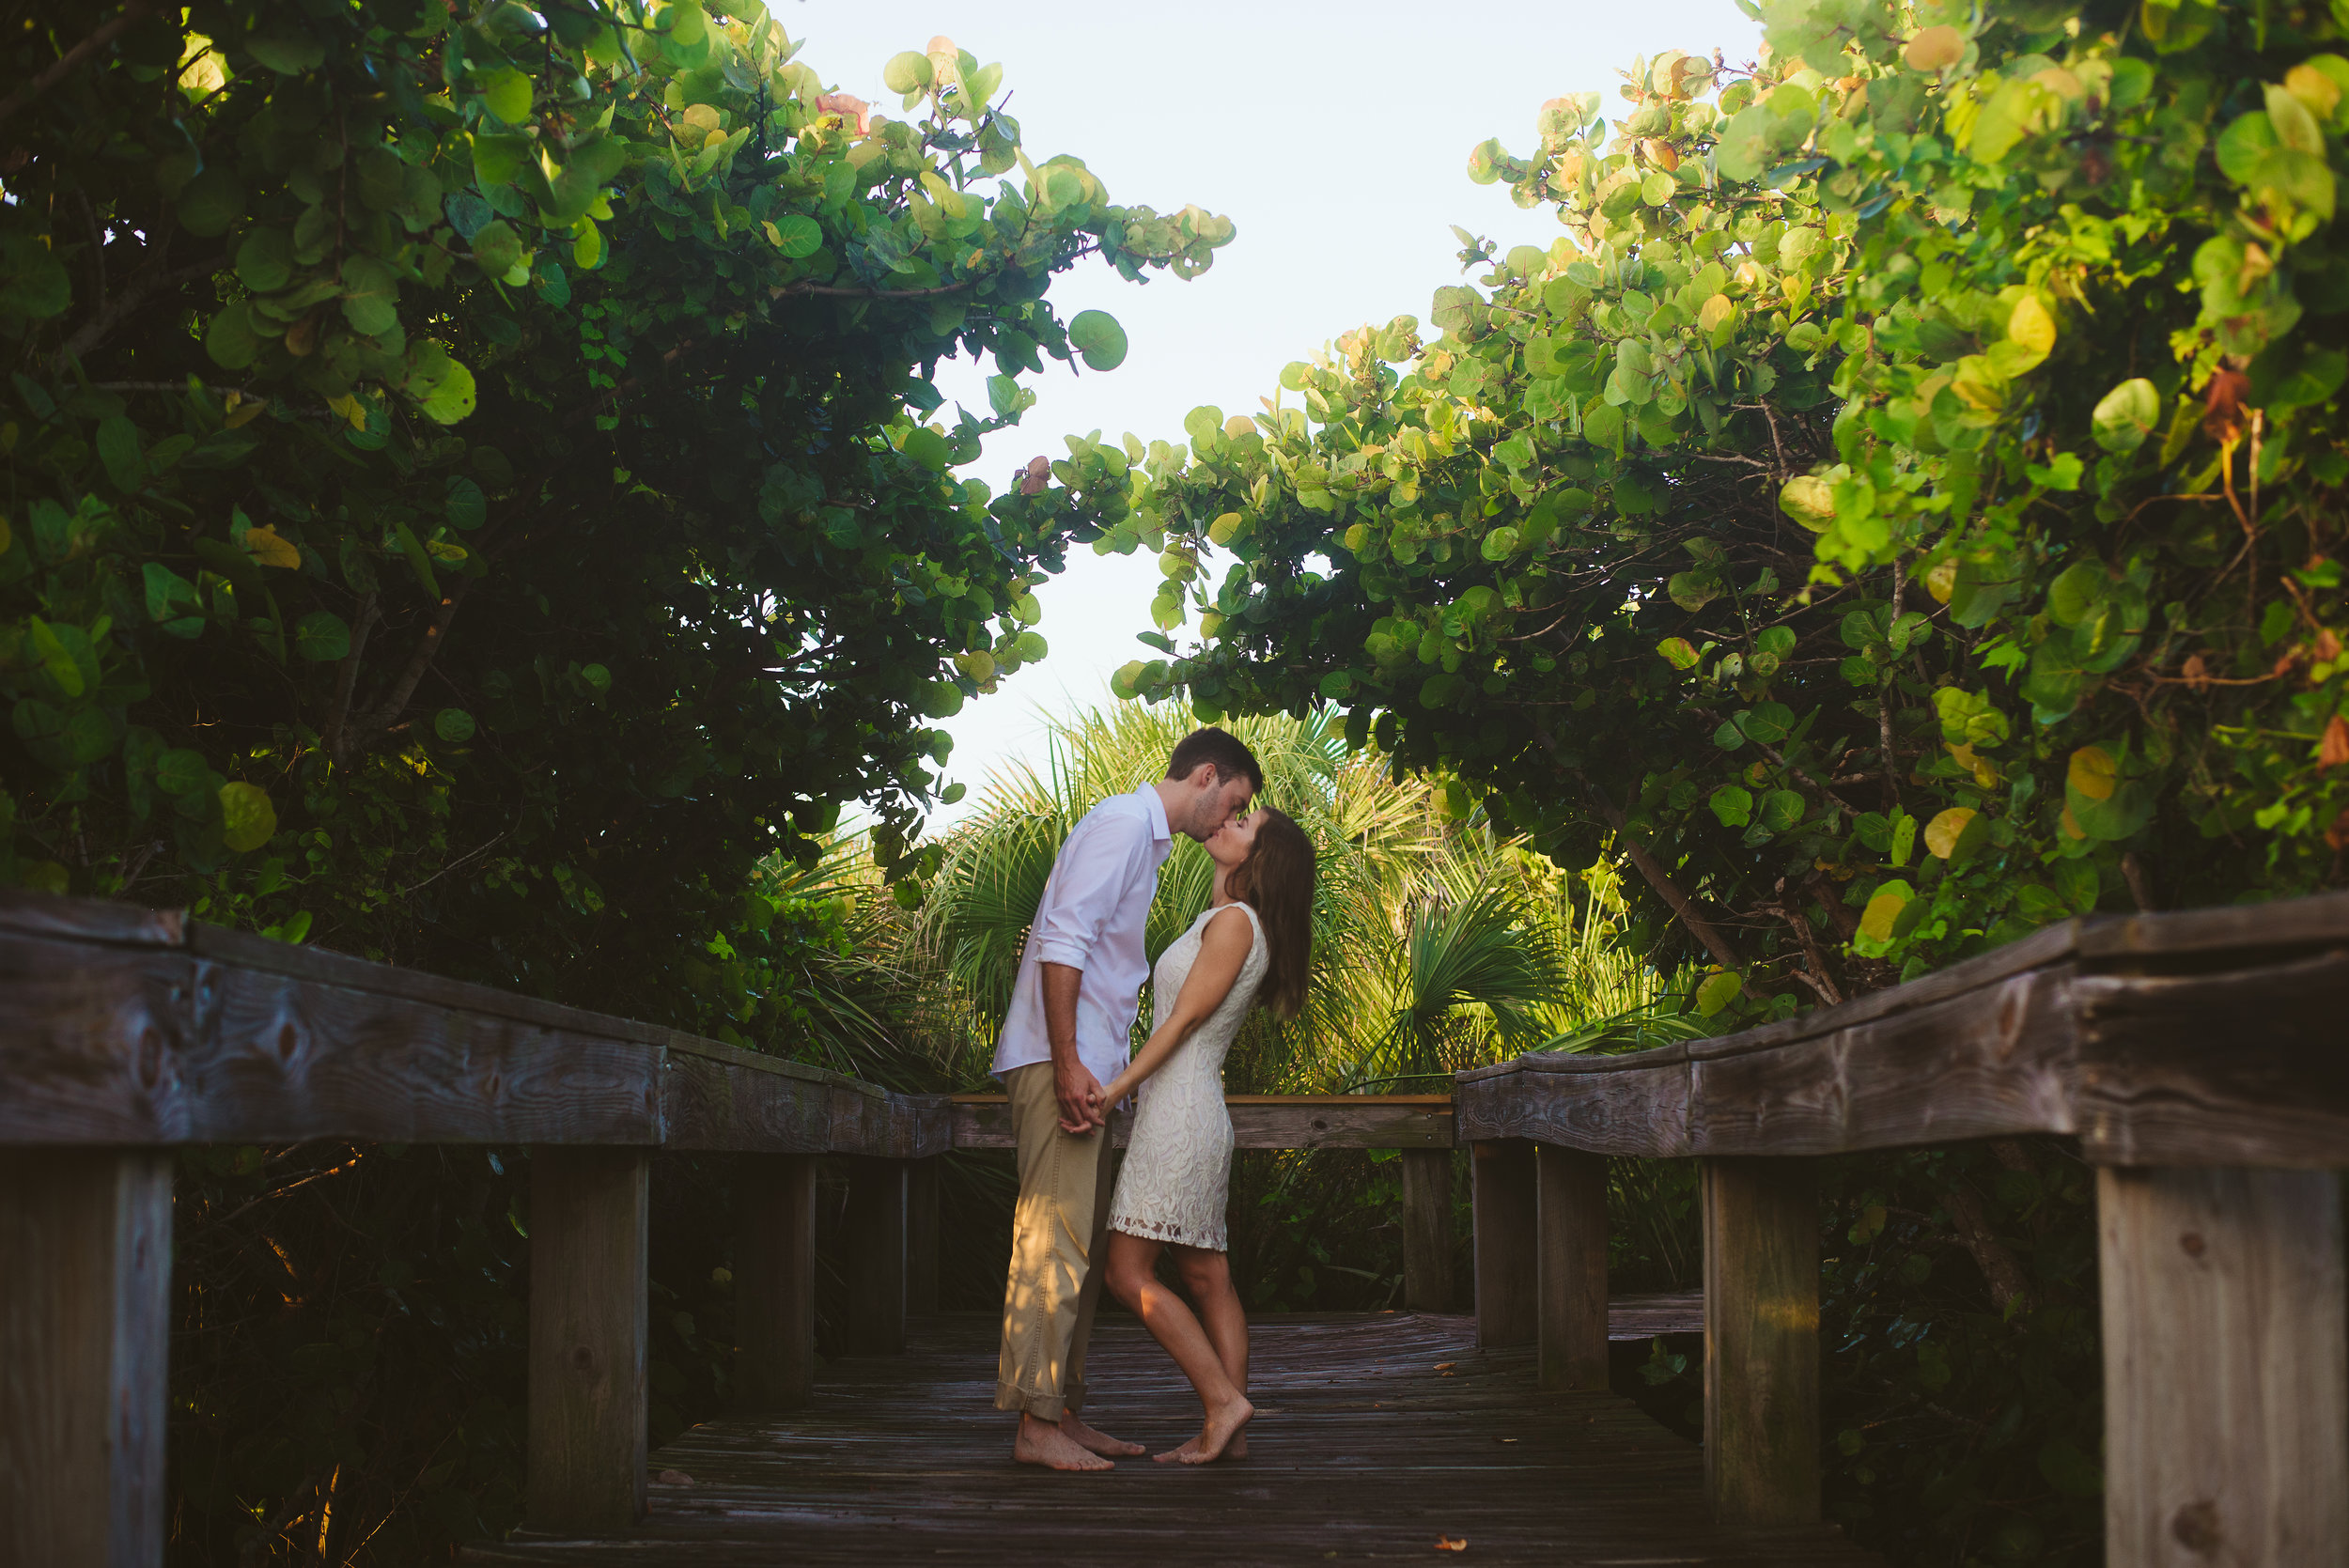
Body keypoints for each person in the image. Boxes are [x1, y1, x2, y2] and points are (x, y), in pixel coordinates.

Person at [991, 727, 1263, 1471]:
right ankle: (1033, 1423)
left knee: (1078, 1246)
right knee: (1052, 1238)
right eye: (1233, 802)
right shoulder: (1119, 824)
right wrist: (1071, 1060)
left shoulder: (1149, 847)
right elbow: (1063, 941)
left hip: (1087, 1068)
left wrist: (1103, 1075)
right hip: (1061, 1060)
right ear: (1206, 775)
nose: (1226, 821)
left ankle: (1061, 1410)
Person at [1092, 804, 1316, 1464]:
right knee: (1207, 1275)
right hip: (1190, 1108)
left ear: (1260, 857)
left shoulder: (1233, 924)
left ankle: (1223, 1403)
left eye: (1246, 823)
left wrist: (1111, 1090)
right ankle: (1233, 1433)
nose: (1228, 822)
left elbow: (1182, 1023)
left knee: (1125, 1271)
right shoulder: (1231, 922)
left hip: (1178, 1115)